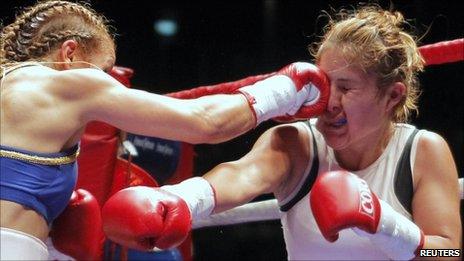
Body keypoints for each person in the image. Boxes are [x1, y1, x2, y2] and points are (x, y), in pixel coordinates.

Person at [103, 4, 462, 260]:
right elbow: (240, 175)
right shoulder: (296, 144)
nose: (329, 101)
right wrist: (180, 199)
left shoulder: (422, 151)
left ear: (392, 96)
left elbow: (448, 252)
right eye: (324, 84)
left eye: (346, 88)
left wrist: (385, 225)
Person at [0, 0, 330, 259]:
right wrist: (285, 90)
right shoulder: (68, 84)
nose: (109, 80)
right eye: (105, 69)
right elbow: (206, 122)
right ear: (70, 54)